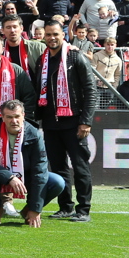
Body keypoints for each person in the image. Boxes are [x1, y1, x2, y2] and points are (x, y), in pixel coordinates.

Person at [34, 20, 98, 222]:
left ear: (63, 35)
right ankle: (65, 207)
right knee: (58, 167)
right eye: (48, 34)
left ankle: (84, 209)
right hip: (50, 123)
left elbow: (91, 90)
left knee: (80, 167)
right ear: (44, 37)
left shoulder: (75, 56)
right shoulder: (42, 60)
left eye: (56, 34)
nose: (52, 38)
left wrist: (86, 121)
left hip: (74, 121)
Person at [0, 100, 67, 227]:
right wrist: (9, 177)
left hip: (26, 178)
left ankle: (28, 210)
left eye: (17, 116)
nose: (14, 121)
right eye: (9, 117)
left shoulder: (34, 134)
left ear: (23, 116)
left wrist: (35, 208)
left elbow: (40, 170)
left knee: (57, 182)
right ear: (2, 117)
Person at [0, 14, 45, 79]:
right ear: (2, 30)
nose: (12, 30)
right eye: (8, 27)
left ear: (21, 29)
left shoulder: (38, 47)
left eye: (15, 27)